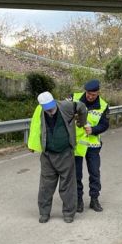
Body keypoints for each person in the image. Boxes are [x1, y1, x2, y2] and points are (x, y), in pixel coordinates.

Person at [28, 91, 87, 224]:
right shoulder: (40, 111)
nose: (50, 111)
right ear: (41, 107)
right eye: (47, 109)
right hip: (48, 155)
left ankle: (68, 213)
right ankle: (44, 213)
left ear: (54, 102)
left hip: (65, 153)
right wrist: (32, 144)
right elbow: (35, 127)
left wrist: (81, 123)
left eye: (51, 107)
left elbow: (82, 107)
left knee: (67, 185)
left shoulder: (66, 106)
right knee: (45, 186)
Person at [73, 79, 110, 213]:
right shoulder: (75, 98)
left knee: (94, 173)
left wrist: (94, 130)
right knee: (76, 175)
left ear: (98, 93)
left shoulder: (103, 105)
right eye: (88, 93)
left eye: (93, 94)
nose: (90, 96)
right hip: (77, 145)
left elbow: (105, 125)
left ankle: (94, 199)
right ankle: (78, 201)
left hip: (93, 146)